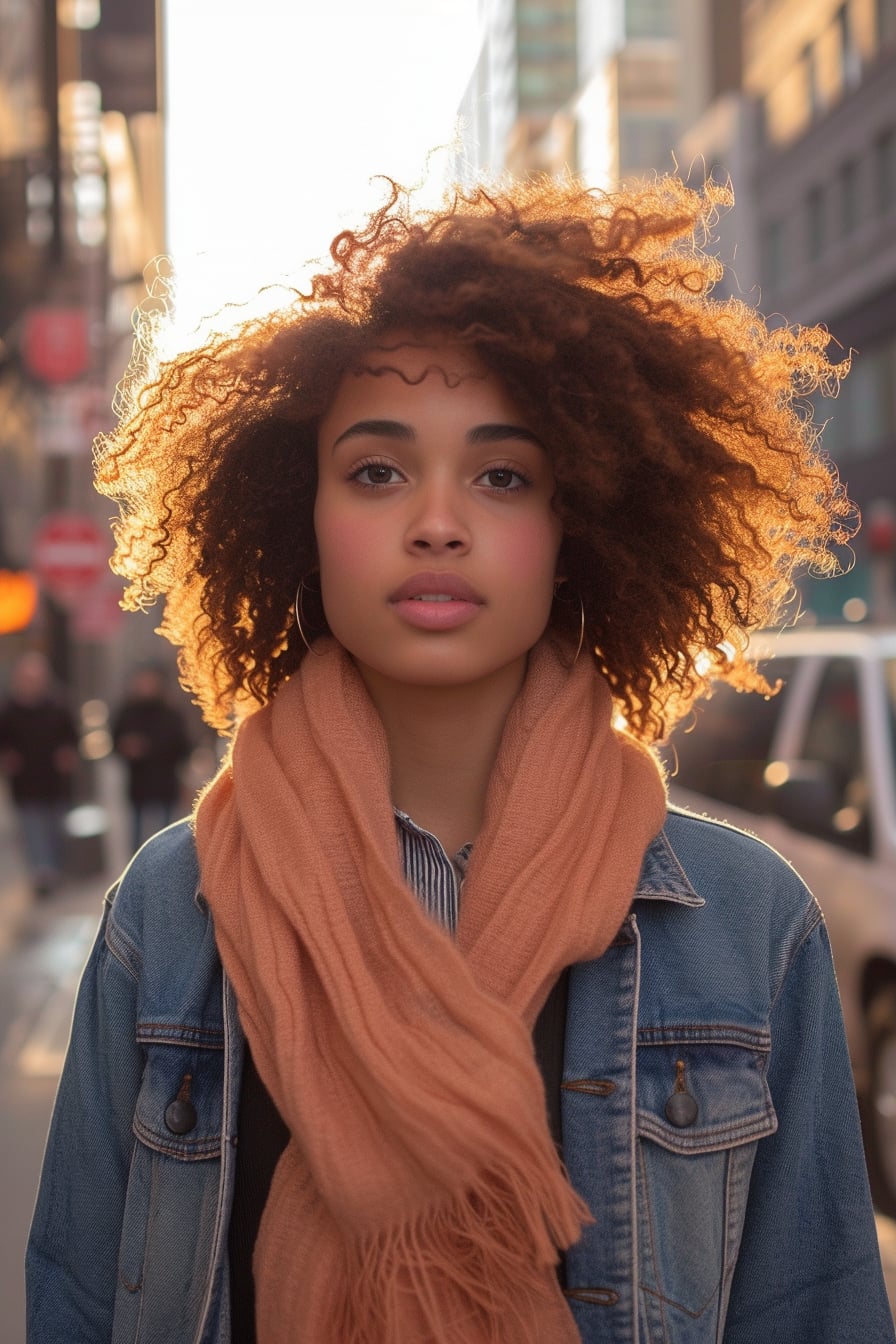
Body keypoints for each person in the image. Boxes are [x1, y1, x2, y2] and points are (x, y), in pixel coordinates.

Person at [26, 176, 894, 1344]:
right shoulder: (172, 914)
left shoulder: (747, 924)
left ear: (573, 524)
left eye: (501, 475)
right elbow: (80, 1300)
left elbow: (816, 1314)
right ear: (300, 515)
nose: (436, 521)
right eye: (376, 471)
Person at [0, 650, 78, 896]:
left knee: (55, 828)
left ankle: (55, 868)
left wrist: (68, 753)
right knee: (32, 829)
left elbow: (72, 736)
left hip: (53, 780)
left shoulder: (58, 705)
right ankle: (43, 873)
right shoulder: (9, 710)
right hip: (24, 782)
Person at [111, 663, 192, 852]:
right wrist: (127, 748)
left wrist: (150, 749)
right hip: (138, 783)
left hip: (165, 781)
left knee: (166, 832)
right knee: (136, 833)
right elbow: (115, 742)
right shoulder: (127, 712)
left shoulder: (171, 714)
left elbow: (183, 746)